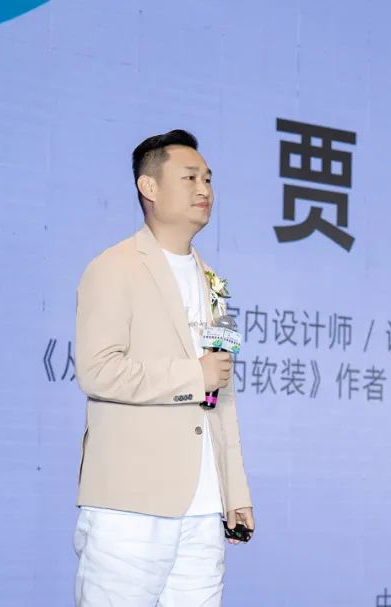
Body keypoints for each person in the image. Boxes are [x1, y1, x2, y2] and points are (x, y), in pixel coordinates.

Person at [71, 129, 253, 606]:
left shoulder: (213, 284)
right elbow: (98, 370)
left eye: (208, 179)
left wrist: (234, 490)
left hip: (203, 509)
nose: (204, 189)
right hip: (130, 506)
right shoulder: (114, 267)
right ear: (148, 187)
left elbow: (221, 390)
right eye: (190, 177)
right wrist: (194, 376)